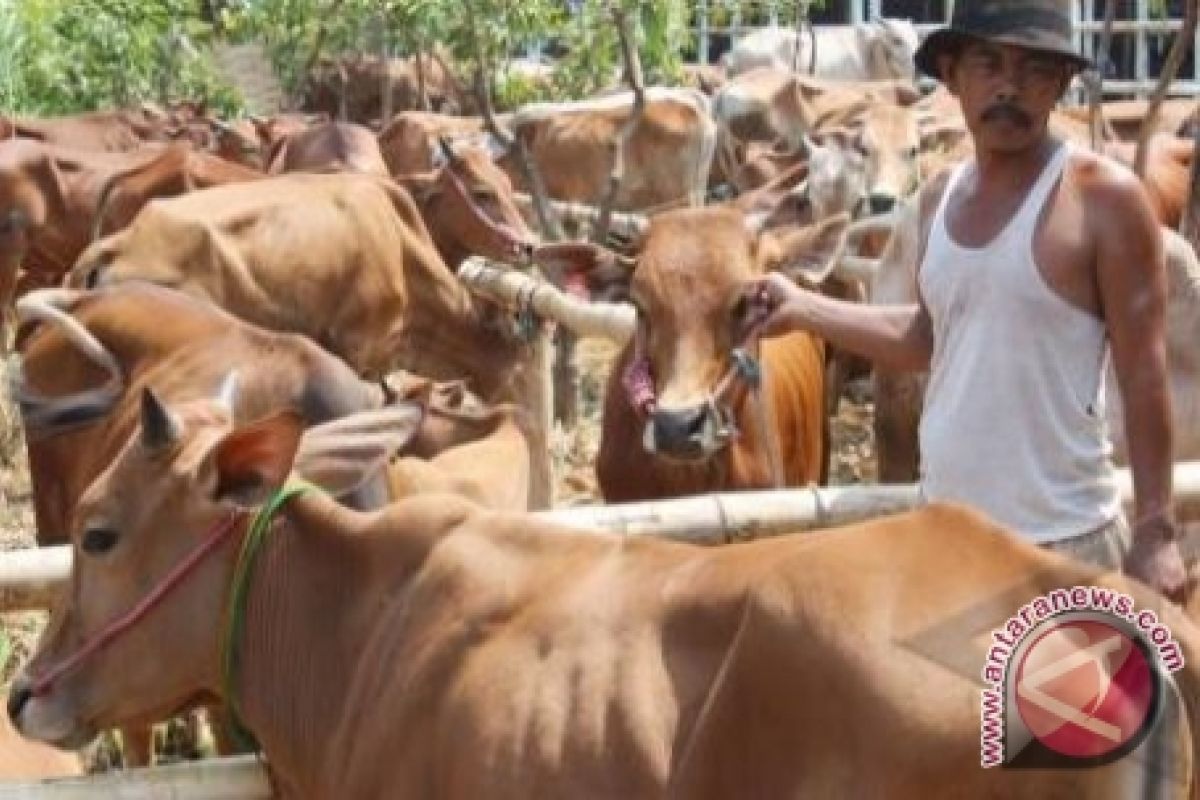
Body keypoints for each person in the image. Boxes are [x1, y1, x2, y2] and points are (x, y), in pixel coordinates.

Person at [739, 0, 1186, 600]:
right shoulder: (938, 200)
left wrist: (1156, 533)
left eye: (1033, 70)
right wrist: (804, 308)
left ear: (1060, 84)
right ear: (952, 77)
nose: (1009, 87)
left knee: (1068, 698)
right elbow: (930, 337)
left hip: (1062, 540)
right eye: (988, 64)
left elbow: (1143, 373)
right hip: (946, 541)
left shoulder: (1105, 200)